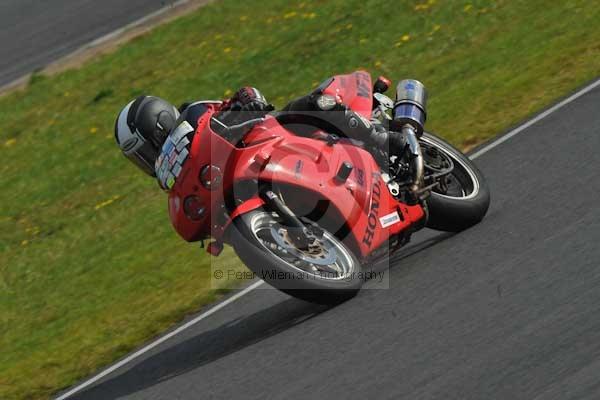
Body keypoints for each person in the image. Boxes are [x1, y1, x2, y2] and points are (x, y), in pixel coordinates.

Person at [114, 83, 403, 178]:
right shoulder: (184, 174)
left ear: (159, 124)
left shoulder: (197, 111)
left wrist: (249, 100)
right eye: (138, 158)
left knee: (317, 104)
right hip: (257, 173)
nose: (147, 160)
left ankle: (384, 139)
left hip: (272, 136)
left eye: (143, 151)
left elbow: (242, 93)